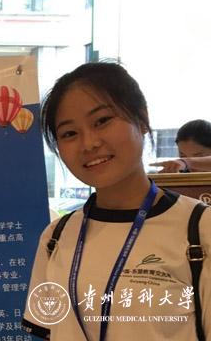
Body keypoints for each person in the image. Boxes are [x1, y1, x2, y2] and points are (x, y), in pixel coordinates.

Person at [22, 63, 210, 340]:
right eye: (69, 133)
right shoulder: (56, 237)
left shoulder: (200, 228)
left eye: (102, 121)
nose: (89, 143)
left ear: (142, 119)